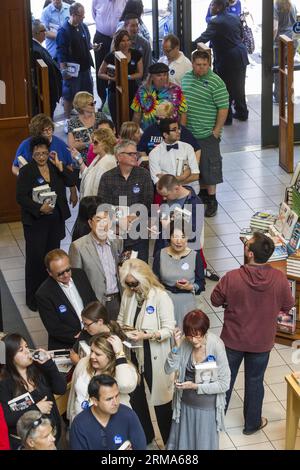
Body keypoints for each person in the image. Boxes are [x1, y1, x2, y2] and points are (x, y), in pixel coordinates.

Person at [211, 232, 295, 435]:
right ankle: (252, 424)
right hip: (262, 341)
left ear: (249, 253)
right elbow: (288, 304)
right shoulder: (279, 278)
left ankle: (214, 422)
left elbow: (214, 300)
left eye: (246, 243)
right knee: (255, 381)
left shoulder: (232, 277)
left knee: (225, 380)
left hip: (232, 340)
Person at [118, 259, 175, 445]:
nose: (131, 288)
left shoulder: (160, 297)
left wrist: (146, 335)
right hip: (133, 353)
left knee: (162, 402)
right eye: (127, 284)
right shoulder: (128, 295)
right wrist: (123, 331)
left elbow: (169, 329)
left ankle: (169, 442)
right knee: (136, 398)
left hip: (154, 354)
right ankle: (146, 437)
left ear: (144, 278)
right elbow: (120, 319)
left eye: (134, 284)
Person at [16, 136, 76, 311]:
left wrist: (60, 166)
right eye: (37, 154)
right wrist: (39, 208)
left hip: (54, 222)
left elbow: (71, 181)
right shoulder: (26, 171)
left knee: (52, 260)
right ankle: (33, 299)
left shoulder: (54, 167)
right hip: (36, 223)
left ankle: (51, 296)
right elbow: (20, 198)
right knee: (36, 261)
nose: (41, 157)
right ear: (32, 154)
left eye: (44, 153)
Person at [164, 310, 230, 450]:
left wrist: (195, 386)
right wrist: (176, 347)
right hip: (184, 405)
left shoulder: (216, 346)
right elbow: (168, 369)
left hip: (207, 409)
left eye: (198, 336)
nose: (194, 341)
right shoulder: (184, 343)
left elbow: (224, 384)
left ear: (205, 331)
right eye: (190, 336)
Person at [181, 50, 229, 217]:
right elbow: (183, 105)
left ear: (209, 64)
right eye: (198, 65)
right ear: (192, 64)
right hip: (190, 134)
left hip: (207, 134)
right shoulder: (186, 78)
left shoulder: (216, 82)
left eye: (204, 65)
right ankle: (201, 196)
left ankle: (212, 199)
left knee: (211, 167)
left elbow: (223, 108)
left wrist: (215, 132)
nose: (201, 68)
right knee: (197, 167)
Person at [0, 334, 66, 450]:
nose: (27, 351)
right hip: (28, 443)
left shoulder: (38, 369)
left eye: (26, 346)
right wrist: (37, 408)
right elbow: (7, 419)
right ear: (10, 357)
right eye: (21, 350)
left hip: (51, 435)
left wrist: (49, 364)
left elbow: (60, 389)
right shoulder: (5, 384)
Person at [97, 140, 154, 263]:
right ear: (119, 156)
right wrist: (118, 221)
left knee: (140, 269)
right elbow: (102, 205)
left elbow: (148, 201)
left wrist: (132, 216)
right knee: (117, 269)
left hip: (139, 232)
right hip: (115, 233)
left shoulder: (143, 174)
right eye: (131, 154)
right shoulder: (107, 177)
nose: (135, 156)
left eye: (136, 153)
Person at [194, 0, 249, 125]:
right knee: (239, 86)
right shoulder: (234, 18)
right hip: (241, 55)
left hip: (227, 59)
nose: (211, 7)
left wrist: (187, 45)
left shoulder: (215, 22)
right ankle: (242, 112)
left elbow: (203, 38)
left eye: (213, 5)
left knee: (224, 89)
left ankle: (227, 117)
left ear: (218, 7)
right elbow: (240, 35)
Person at [67, 333, 138, 423]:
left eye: (98, 354)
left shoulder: (122, 370)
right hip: (81, 426)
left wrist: (119, 354)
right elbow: (75, 396)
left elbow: (125, 385)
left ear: (111, 357)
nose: (92, 356)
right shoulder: (85, 363)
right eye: (92, 351)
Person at [35, 249, 97, 349]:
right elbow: (54, 327)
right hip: (67, 344)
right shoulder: (44, 294)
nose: (66, 275)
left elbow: (93, 302)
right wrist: (81, 336)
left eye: (68, 269)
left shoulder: (80, 274)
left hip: (92, 336)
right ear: (49, 272)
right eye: (60, 273)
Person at [69, 210, 123, 320]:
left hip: (116, 300)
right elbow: (76, 281)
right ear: (90, 223)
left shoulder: (117, 241)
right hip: (94, 304)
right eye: (98, 220)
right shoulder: (78, 247)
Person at [70, 374, 146, 450]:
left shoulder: (129, 415)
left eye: (116, 396)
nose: (115, 402)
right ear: (94, 401)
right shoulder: (79, 425)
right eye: (109, 399)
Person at [153, 222, 205, 328]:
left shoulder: (195, 256)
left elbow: (201, 284)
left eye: (183, 237)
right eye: (175, 236)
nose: (179, 241)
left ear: (187, 238)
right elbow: (154, 281)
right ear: (169, 237)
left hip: (188, 303)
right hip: (166, 302)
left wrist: (190, 286)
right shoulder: (160, 254)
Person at [56, 3, 97, 120]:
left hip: (85, 68)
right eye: (81, 16)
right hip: (72, 71)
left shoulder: (83, 26)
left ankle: (89, 118)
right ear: (73, 15)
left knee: (88, 94)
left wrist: (93, 46)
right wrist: (63, 70)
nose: (83, 18)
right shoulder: (63, 31)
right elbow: (61, 52)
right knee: (69, 96)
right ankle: (67, 120)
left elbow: (87, 43)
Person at [98, 29, 143, 125]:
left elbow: (140, 73)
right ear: (118, 42)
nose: (126, 43)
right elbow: (100, 73)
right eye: (123, 40)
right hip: (115, 92)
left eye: (128, 40)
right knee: (117, 120)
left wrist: (127, 77)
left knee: (132, 120)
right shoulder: (111, 56)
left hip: (132, 91)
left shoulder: (136, 54)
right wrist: (112, 78)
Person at [149, 118, 200, 194]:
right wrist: (182, 177)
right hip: (169, 195)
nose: (178, 132)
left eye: (178, 129)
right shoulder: (154, 154)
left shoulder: (188, 147)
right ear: (165, 135)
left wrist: (171, 182)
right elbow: (158, 182)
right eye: (174, 129)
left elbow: (195, 175)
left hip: (190, 192)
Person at [92, 0, 127, 107]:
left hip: (119, 40)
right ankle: (103, 99)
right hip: (101, 37)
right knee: (101, 68)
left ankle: (117, 98)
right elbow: (94, 15)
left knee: (118, 68)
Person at [132, 62, 188, 130]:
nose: (162, 78)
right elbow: (137, 115)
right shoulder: (142, 91)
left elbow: (183, 113)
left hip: (170, 134)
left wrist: (182, 132)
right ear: (151, 77)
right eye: (159, 75)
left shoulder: (176, 90)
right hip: (148, 132)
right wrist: (134, 133)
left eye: (165, 75)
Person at [71, 128, 117, 198]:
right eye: (92, 141)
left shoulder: (107, 163)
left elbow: (102, 192)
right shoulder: (99, 156)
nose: (92, 145)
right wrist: (79, 159)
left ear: (105, 143)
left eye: (95, 142)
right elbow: (88, 176)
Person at [32, 20, 62, 118]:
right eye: (43, 30)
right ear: (35, 33)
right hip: (46, 93)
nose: (45, 32)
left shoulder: (38, 47)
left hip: (50, 93)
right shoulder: (35, 50)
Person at [67, 92, 107, 165]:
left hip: (102, 157)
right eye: (91, 104)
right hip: (83, 161)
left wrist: (81, 144)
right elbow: (72, 147)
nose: (94, 105)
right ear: (82, 106)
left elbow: (109, 136)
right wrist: (88, 144)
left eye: (94, 102)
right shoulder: (73, 122)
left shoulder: (101, 116)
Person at [273, 0, 298, 103]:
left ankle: (279, 97)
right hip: (293, 41)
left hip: (281, 42)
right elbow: (297, 22)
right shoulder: (293, 4)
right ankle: (289, 96)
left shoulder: (275, 5)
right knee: (289, 68)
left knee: (279, 69)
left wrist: (270, 42)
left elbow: (274, 27)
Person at [123, 14, 152, 78]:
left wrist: (144, 85)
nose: (136, 28)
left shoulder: (145, 43)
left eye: (137, 25)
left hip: (138, 84)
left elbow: (148, 66)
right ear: (125, 26)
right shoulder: (118, 42)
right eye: (133, 26)